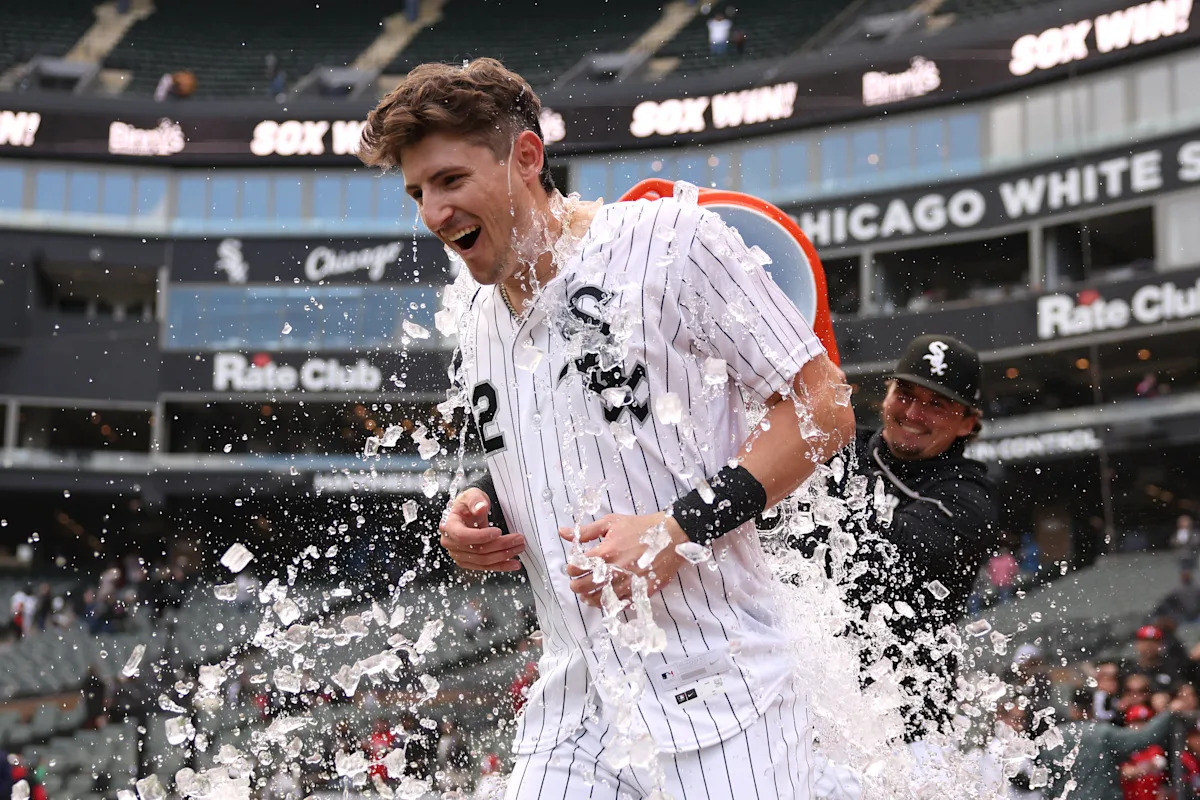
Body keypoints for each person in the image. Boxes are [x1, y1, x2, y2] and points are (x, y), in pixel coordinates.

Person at [361, 58, 855, 799]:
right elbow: (564, 451)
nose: (432, 213)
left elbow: (824, 408)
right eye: (418, 192)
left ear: (526, 157)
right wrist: (479, 509)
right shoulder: (474, 314)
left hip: (721, 688)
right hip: (576, 705)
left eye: (451, 181)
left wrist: (676, 529)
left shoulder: (673, 239)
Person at [798, 333, 997, 740]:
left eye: (936, 404)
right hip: (809, 695)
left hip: (905, 725)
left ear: (967, 423)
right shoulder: (843, 444)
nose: (913, 412)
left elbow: (882, 556)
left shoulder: (969, 498)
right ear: (885, 395)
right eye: (904, 393)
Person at [1039, 687, 1186, 800]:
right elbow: (1144, 737)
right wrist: (1169, 713)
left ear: (1072, 708)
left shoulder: (1054, 737)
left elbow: (1046, 781)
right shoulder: (1103, 733)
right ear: (1092, 708)